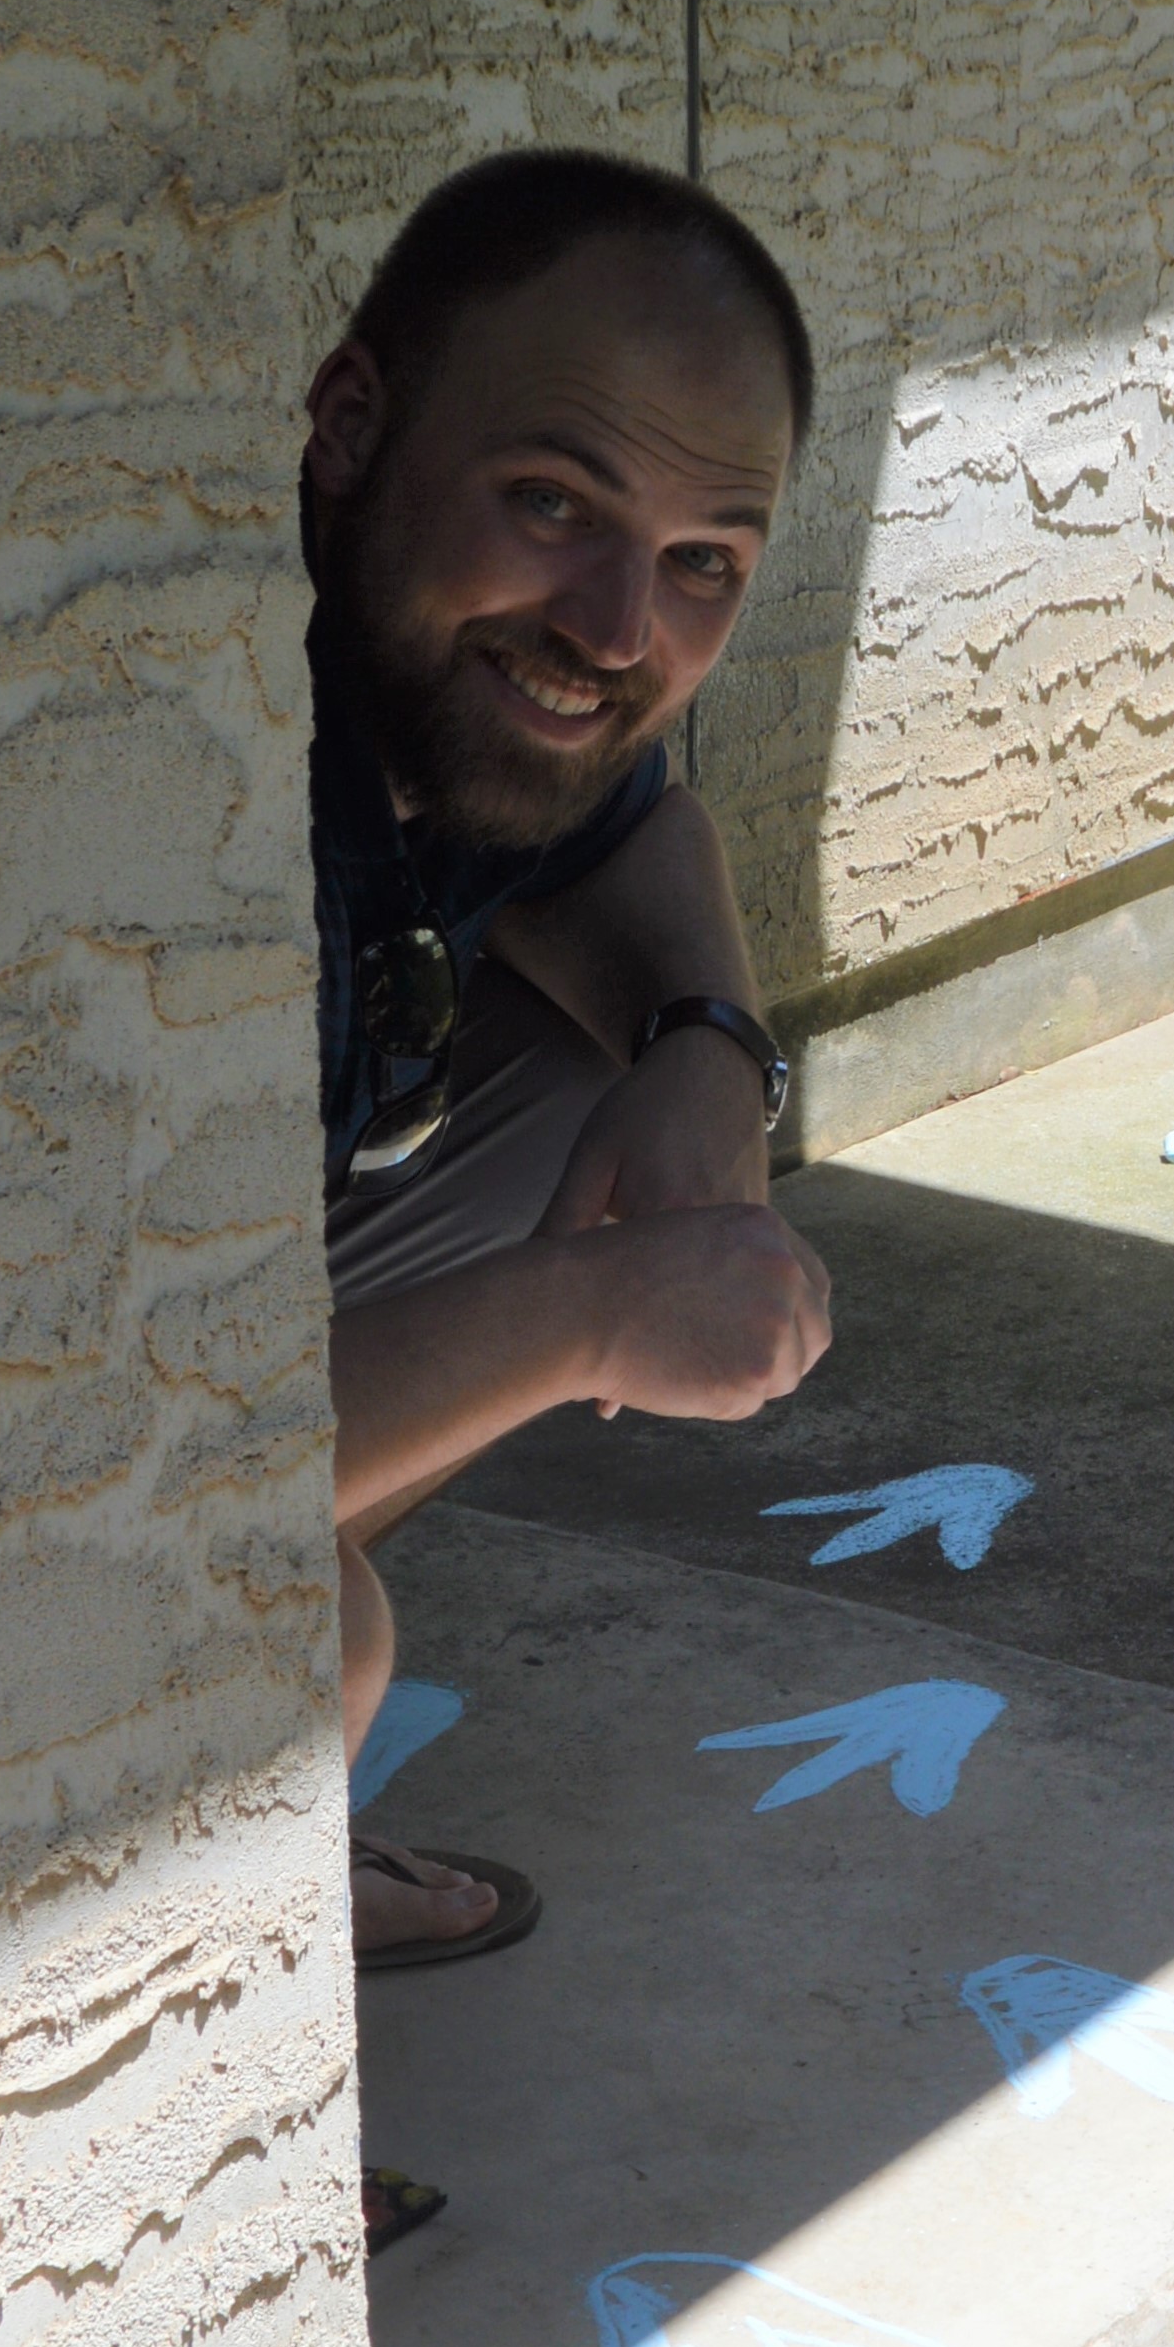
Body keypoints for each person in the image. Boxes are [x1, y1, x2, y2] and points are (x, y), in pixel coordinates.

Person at [314, 152, 835, 2115]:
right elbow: (106, 1475)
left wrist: (707, 1047)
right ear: (349, 426)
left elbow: (639, 835)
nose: (620, 628)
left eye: (703, 560)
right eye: (552, 503)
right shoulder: (165, 770)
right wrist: (595, 1316)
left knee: (573, 1068)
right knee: (297, 1646)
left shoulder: (426, 680)